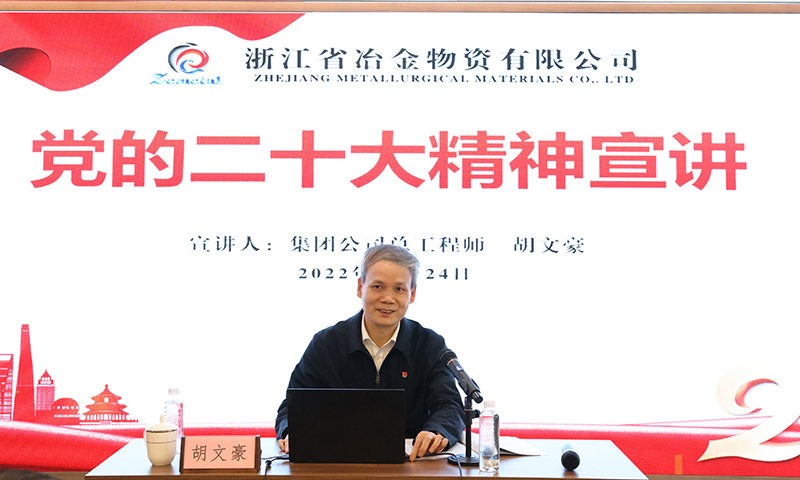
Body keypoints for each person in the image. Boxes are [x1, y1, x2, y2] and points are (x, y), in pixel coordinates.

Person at [275, 244, 465, 461]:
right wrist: (291, 432)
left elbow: (449, 406)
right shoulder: (326, 344)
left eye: (399, 289)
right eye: (377, 286)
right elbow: (292, 406)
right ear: (360, 287)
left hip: (410, 465)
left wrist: (436, 432)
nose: (388, 298)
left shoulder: (429, 344)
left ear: (412, 294)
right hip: (336, 463)